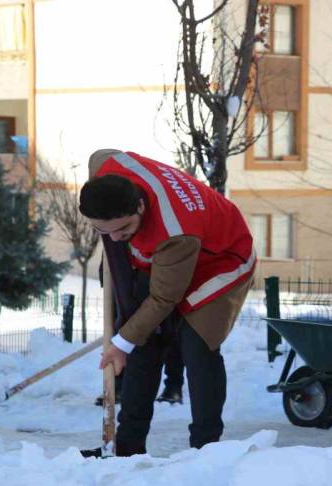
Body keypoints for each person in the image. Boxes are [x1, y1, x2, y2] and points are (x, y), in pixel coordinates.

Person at [79, 149, 254, 456]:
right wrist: (129, 339)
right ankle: (128, 447)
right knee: (142, 342)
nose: (116, 238)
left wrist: (121, 342)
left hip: (220, 261)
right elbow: (98, 155)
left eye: (124, 229)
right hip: (162, 261)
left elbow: (163, 298)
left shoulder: (173, 231)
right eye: (104, 231)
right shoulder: (107, 166)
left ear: (141, 207)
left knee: (197, 347)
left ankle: (206, 448)